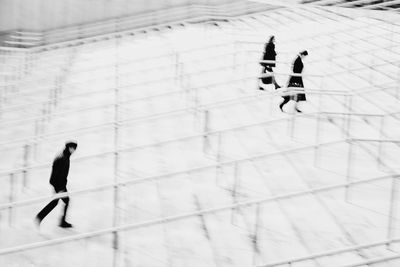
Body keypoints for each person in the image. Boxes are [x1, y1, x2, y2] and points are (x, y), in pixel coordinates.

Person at [35, 141, 77, 228]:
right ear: (69, 148)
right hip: (59, 185)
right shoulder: (63, 158)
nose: (74, 150)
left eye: (74, 149)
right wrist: (60, 188)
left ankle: (40, 217)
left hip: (58, 184)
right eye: (73, 148)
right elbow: (58, 174)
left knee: (56, 202)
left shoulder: (64, 156)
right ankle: (59, 222)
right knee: (65, 201)